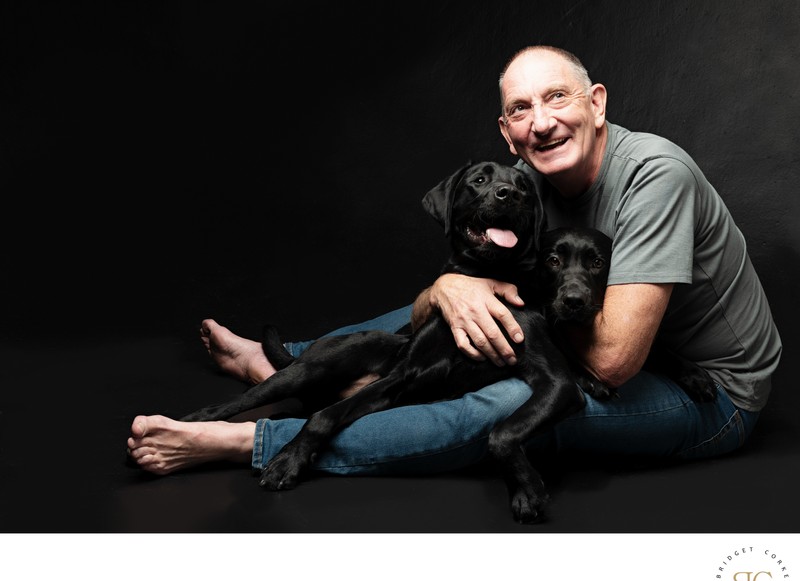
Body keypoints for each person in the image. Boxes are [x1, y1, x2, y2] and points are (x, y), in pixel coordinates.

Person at [127, 45, 781, 480]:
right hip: (599, 338)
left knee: (501, 400)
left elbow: (611, 359)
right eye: (522, 108)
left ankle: (254, 441)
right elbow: (456, 298)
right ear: (506, 131)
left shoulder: (654, 176)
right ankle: (288, 360)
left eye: (558, 97)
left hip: (710, 391)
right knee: (452, 310)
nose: (542, 121)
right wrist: (449, 287)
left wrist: (485, 307)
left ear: (597, 104)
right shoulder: (527, 183)